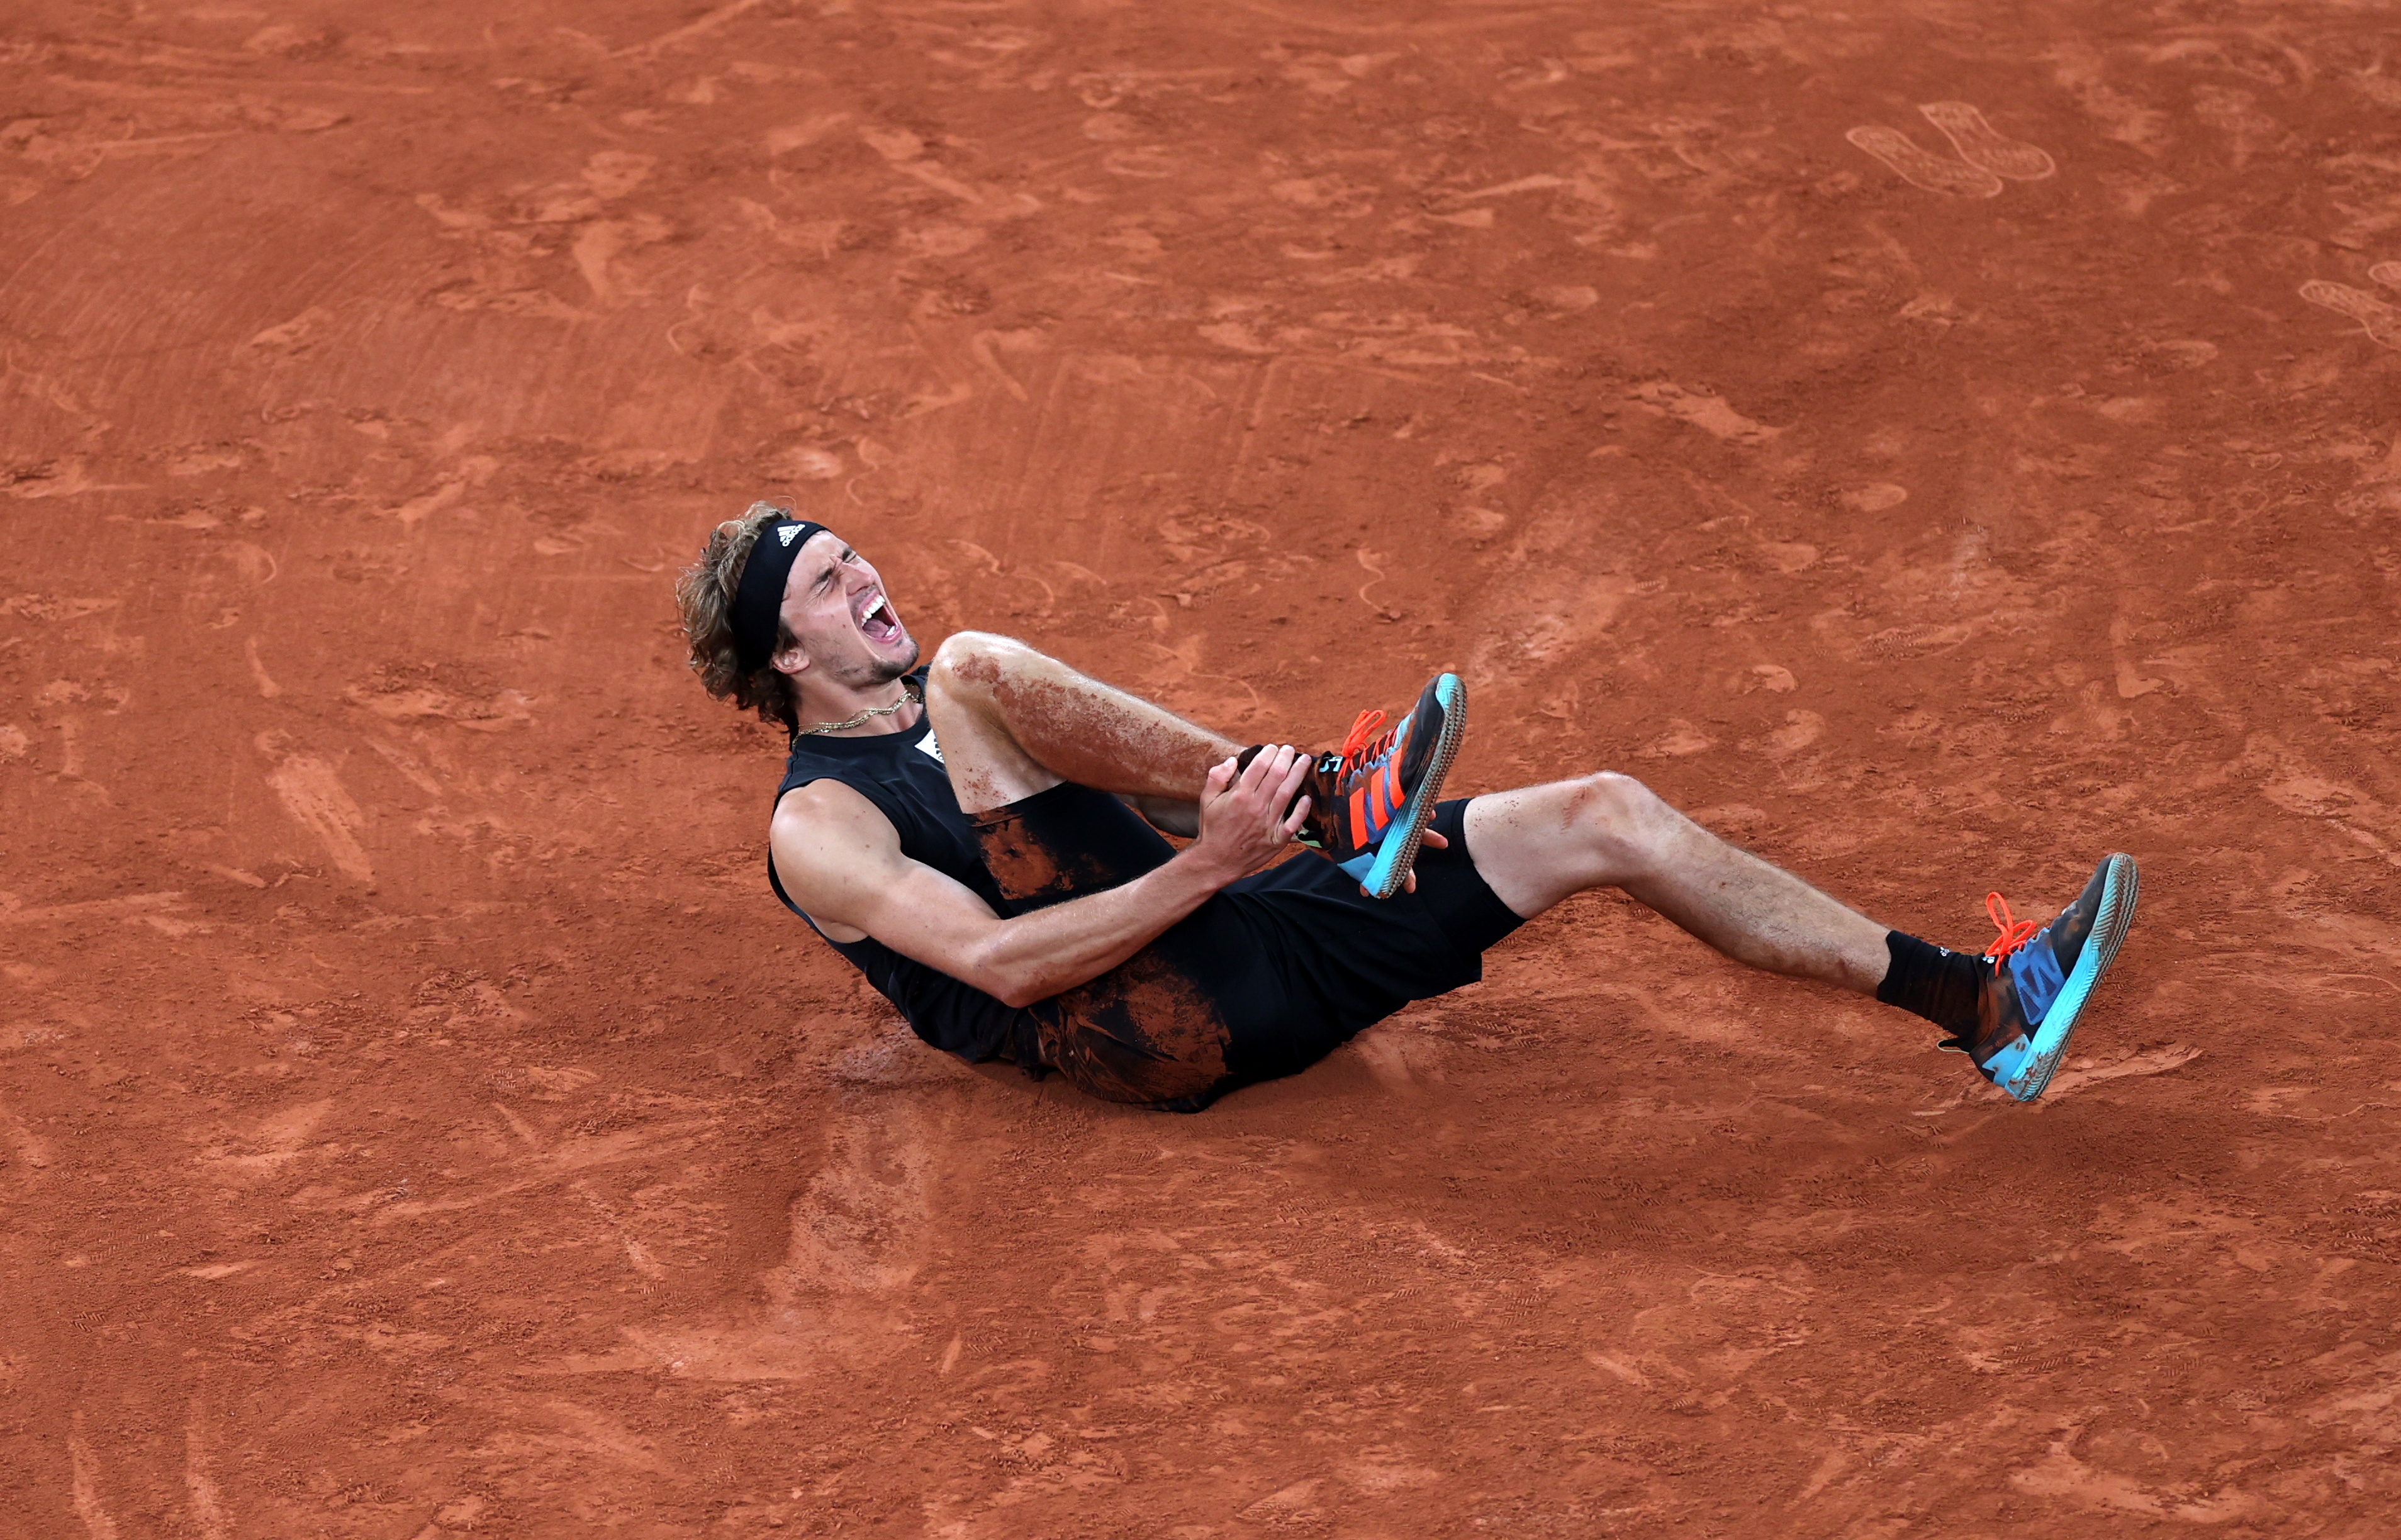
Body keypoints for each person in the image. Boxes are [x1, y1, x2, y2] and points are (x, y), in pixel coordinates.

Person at [674, 501, 2139, 1113]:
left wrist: (1221, 848)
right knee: (984, 663)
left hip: (1245, 930)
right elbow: (997, 966)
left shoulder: (972, 723)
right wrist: (1231, 855)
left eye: (855, 553)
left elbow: (1141, 825)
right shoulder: (820, 822)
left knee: (1604, 814)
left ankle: (1982, 1001)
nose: (865, 577)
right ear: (785, 657)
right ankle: (1329, 806)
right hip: (1142, 1028)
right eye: (824, 584)